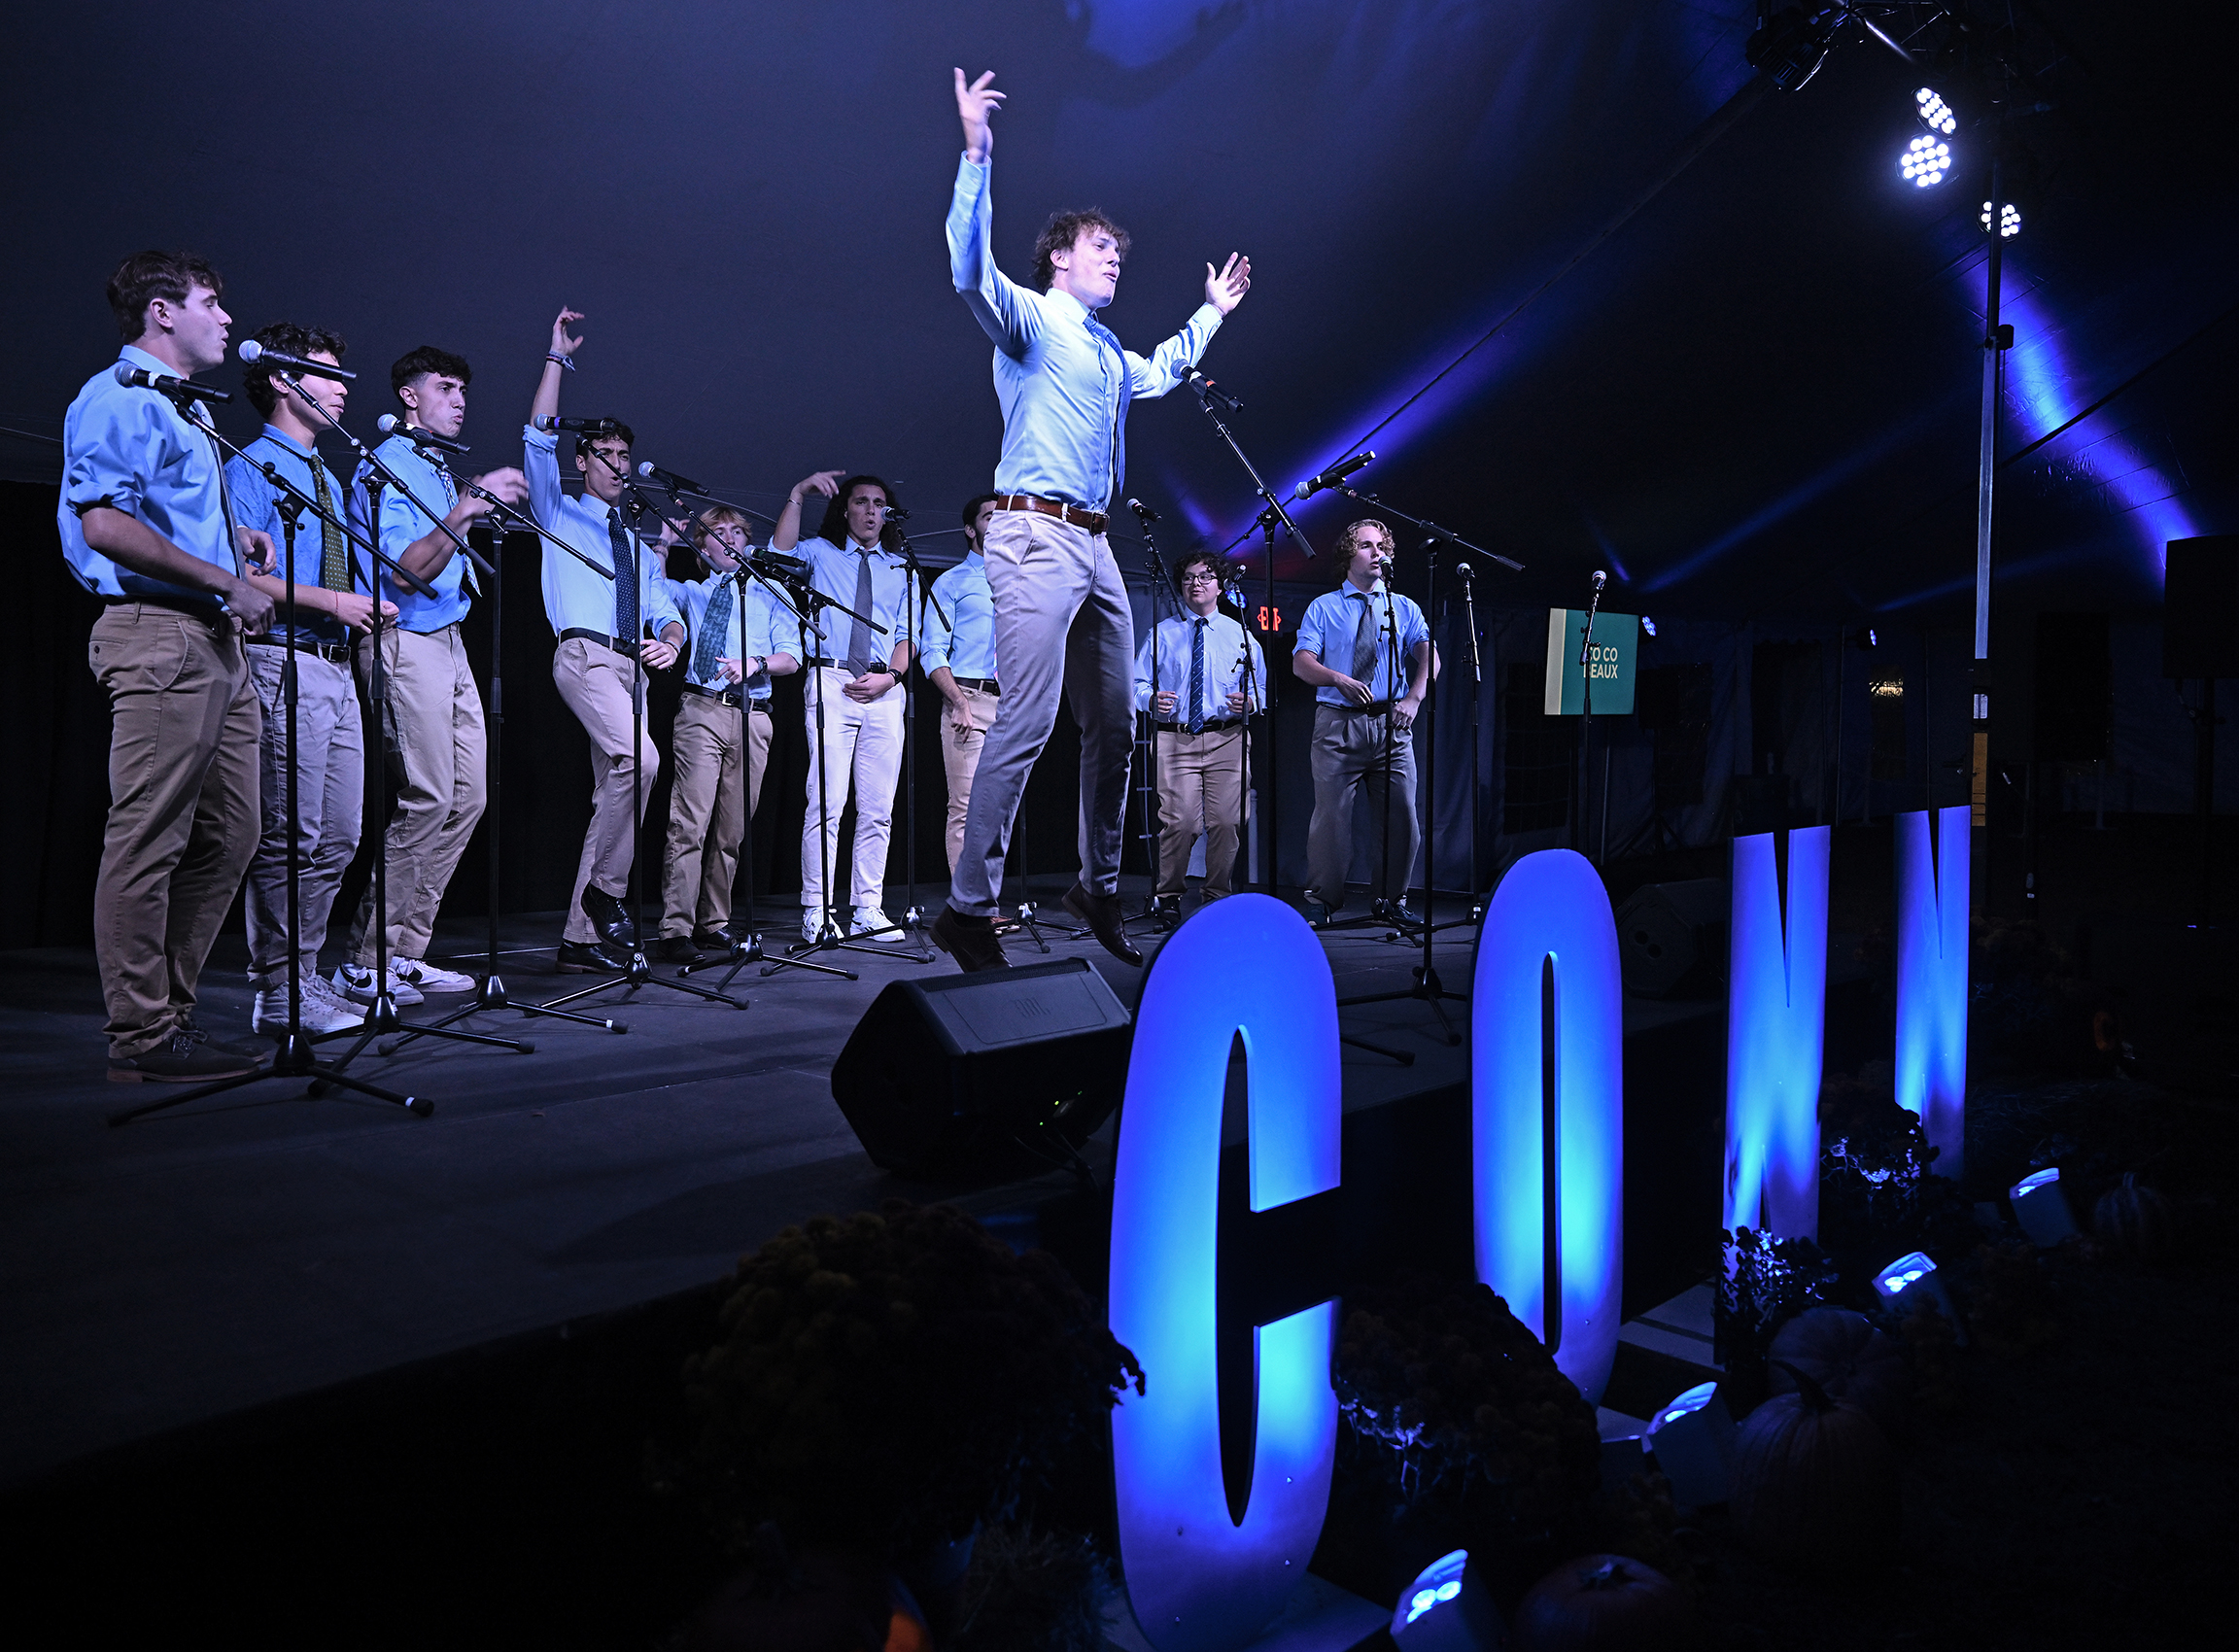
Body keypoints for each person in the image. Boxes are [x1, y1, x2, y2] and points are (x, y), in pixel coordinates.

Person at [930, 67, 1253, 973]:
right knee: (1027, 721)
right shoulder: (1029, 320)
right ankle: (967, 907)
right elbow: (966, 269)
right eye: (1100, 247)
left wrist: (1210, 316)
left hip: (1096, 544)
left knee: (1115, 726)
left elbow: (1157, 374)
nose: (1115, 258)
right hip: (1032, 534)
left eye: (1117, 250)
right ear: (1059, 259)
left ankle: (1098, 884)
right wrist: (976, 155)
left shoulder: (1109, 349)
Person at [61, 250, 278, 1082]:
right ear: (162, 312)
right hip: (158, 634)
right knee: (149, 834)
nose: (227, 319)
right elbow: (106, 527)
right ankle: (141, 1036)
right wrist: (228, 577)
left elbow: (162, 516)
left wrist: (234, 541)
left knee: (234, 833)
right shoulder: (118, 397)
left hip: (209, 637)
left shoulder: (183, 411)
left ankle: (171, 1015)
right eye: (212, 302)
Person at [336, 343, 528, 1005]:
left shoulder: (434, 467)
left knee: (467, 798)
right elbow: (402, 570)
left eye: (463, 389)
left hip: (448, 640)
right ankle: (366, 959)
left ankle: (404, 951)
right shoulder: (391, 462)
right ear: (410, 396)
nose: (460, 400)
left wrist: (467, 507)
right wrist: (466, 509)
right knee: (428, 797)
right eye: (446, 387)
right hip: (403, 639)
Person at [225, 323, 400, 1036]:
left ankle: (308, 976)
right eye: (325, 376)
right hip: (282, 662)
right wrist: (334, 601)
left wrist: (368, 606)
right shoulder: (248, 465)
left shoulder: (328, 472)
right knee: (289, 835)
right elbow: (243, 575)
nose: (340, 390)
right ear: (280, 381)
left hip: (334, 669)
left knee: (338, 837)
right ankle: (280, 988)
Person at [527, 307, 687, 971]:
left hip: (634, 671)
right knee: (642, 764)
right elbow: (538, 437)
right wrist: (557, 361)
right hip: (585, 655)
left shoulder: (632, 537)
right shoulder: (556, 508)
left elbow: (664, 607)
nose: (621, 466)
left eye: (626, 456)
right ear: (584, 459)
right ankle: (606, 893)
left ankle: (578, 939)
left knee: (616, 790)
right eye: (609, 455)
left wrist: (673, 643)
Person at [648, 505, 802, 963]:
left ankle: (713, 922)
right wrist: (663, 540)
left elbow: (791, 656)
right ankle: (675, 928)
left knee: (731, 831)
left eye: (739, 531)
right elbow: (653, 591)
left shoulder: (771, 593)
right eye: (720, 532)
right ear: (704, 546)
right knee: (689, 823)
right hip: (702, 709)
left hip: (753, 715)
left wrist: (753, 664)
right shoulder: (693, 593)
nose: (732, 538)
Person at [771, 472, 913, 945]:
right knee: (827, 802)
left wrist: (889, 678)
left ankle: (867, 908)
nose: (871, 511)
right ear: (845, 510)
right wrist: (799, 493)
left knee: (878, 809)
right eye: (861, 502)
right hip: (832, 678)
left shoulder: (900, 567)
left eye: (879, 503)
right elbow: (780, 553)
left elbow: (906, 637)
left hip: (884, 687)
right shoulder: (819, 552)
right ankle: (817, 908)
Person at [1292, 520, 1434, 927]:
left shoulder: (1402, 607)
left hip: (1391, 728)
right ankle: (1322, 901)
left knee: (1402, 817)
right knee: (1332, 818)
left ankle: (1392, 899)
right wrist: (1337, 678)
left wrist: (1413, 698)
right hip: (1338, 725)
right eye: (1367, 546)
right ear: (1348, 556)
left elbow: (1430, 657)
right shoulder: (1325, 606)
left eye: (1381, 546)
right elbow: (1302, 663)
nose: (1377, 553)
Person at [1133, 550, 1265, 921]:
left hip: (1228, 738)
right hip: (1176, 739)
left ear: (1220, 586)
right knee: (1181, 823)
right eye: (1189, 577)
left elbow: (1262, 691)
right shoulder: (1162, 633)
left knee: (1227, 821)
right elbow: (1137, 683)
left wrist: (1250, 702)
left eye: (1205, 577)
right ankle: (1168, 895)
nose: (1196, 584)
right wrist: (1149, 700)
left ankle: (1217, 897)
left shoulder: (1240, 634)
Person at [917, 493, 1003, 878]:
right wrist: (958, 702)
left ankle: (989, 900)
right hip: (969, 698)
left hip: (1012, 704)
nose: (997, 523)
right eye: (988, 517)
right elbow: (932, 651)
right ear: (970, 529)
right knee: (967, 806)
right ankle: (969, 907)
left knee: (999, 807)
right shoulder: (952, 582)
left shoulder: (1023, 582)